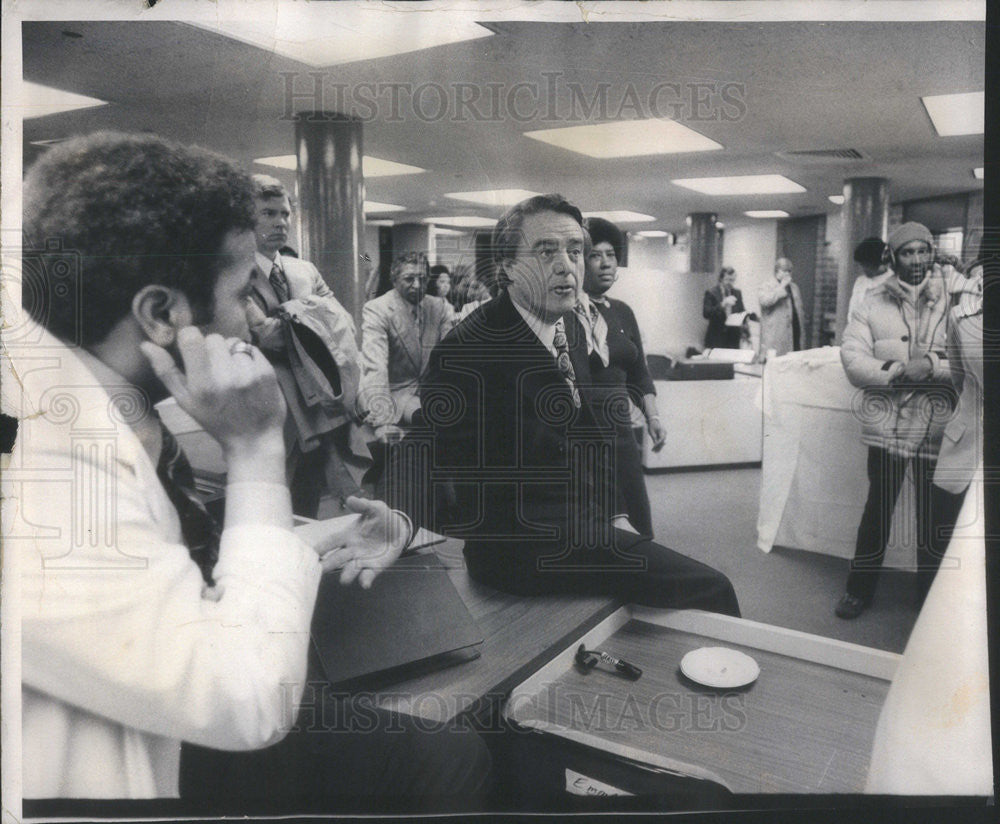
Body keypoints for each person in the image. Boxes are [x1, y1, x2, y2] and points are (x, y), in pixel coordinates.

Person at [10, 132, 489, 804]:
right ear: (160, 313)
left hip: (168, 713)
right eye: (242, 296)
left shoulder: (102, 408)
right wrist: (259, 447)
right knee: (444, 757)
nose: (253, 321)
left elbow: (181, 562)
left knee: (446, 746)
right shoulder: (43, 484)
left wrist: (342, 534)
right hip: (170, 751)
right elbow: (248, 700)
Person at [406, 194, 740, 615]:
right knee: (711, 588)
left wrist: (616, 513)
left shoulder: (566, 324)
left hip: (584, 526)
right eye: (546, 252)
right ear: (507, 267)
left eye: (574, 250)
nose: (568, 266)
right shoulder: (471, 344)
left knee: (669, 591)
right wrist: (396, 519)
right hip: (521, 550)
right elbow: (426, 444)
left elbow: (589, 436)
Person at [835, 222, 954, 619]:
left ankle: (929, 602)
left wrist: (933, 365)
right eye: (908, 252)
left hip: (936, 428)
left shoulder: (955, 298)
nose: (917, 259)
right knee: (877, 510)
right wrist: (897, 371)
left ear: (932, 252)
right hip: (887, 428)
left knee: (932, 517)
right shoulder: (870, 302)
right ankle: (859, 590)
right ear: (894, 257)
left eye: (924, 250)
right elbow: (852, 359)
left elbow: (976, 359)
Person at [244, 174, 371, 516]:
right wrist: (315, 321)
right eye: (268, 214)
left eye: (285, 214)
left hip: (320, 402)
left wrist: (292, 319)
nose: (280, 223)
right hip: (272, 405)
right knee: (273, 499)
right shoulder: (233, 273)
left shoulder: (304, 270)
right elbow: (264, 336)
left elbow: (343, 323)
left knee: (309, 494)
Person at [578, 216, 666, 537]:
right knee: (594, 518)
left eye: (611, 255)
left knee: (635, 516)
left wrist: (653, 416)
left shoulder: (623, 311)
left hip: (621, 429)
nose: (605, 263)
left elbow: (639, 373)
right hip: (582, 430)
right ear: (580, 261)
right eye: (595, 255)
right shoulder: (567, 313)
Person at [359, 252, 456, 442]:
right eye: (409, 279)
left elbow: (451, 357)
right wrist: (382, 421)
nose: (417, 285)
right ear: (394, 280)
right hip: (394, 394)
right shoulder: (377, 309)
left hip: (430, 393)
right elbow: (375, 365)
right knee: (435, 421)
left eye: (422, 279)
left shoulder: (439, 307)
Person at [758, 257, 804, 358]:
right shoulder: (766, 285)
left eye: (790, 271)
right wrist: (781, 287)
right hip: (775, 337)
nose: (788, 274)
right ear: (776, 271)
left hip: (793, 333)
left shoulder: (794, 287)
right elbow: (765, 301)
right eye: (784, 271)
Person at [847, 237, 892, 322]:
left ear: (875, 262)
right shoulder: (860, 281)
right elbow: (852, 311)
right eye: (861, 264)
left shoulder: (892, 281)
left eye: (866, 265)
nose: (863, 269)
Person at [703, 266, 748, 349]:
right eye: (728, 280)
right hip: (716, 337)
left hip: (733, 338)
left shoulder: (737, 293)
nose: (731, 283)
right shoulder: (711, 292)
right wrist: (722, 304)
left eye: (733, 280)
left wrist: (744, 318)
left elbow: (742, 311)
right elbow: (706, 313)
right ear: (721, 279)